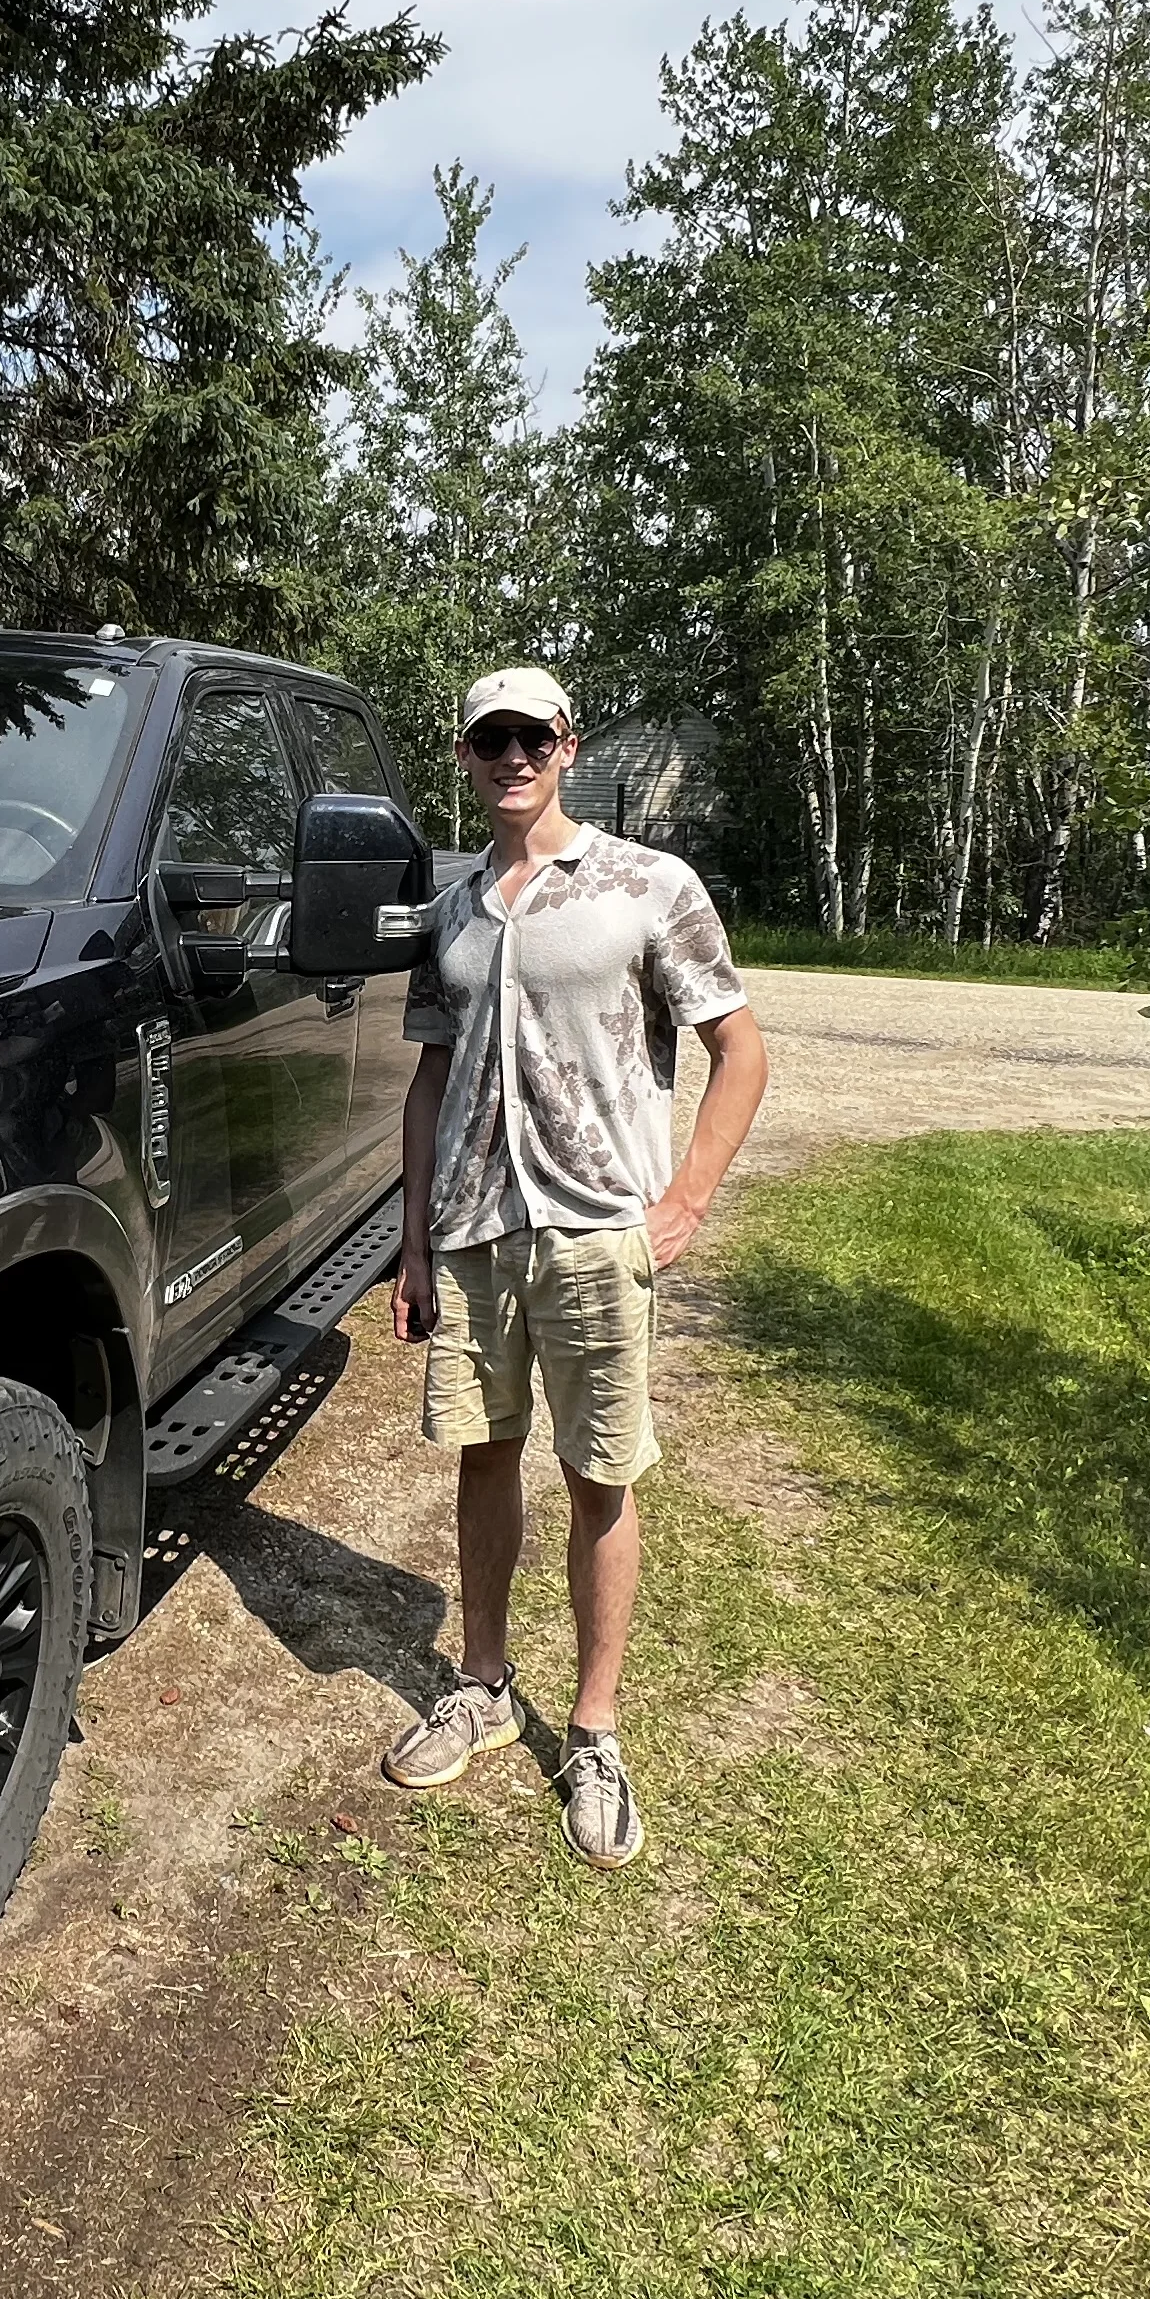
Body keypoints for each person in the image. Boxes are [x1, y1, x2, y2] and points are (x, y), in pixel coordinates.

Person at [381, 666, 768, 1867]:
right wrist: (411, 1241)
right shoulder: (451, 910)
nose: (512, 756)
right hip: (476, 1234)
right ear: (465, 754)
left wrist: (687, 1198)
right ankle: (485, 1685)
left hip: (597, 1230)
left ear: (567, 745)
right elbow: (431, 1079)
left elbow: (740, 1052)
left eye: (532, 737)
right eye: (490, 738)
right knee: (484, 1457)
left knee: (600, 1475)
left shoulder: (648, 885)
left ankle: (594, 1731)